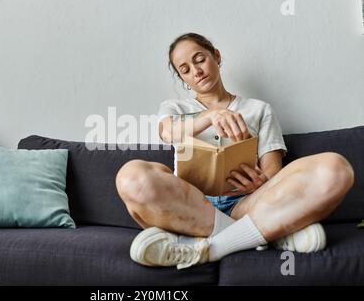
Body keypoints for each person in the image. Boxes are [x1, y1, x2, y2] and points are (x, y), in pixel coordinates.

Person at [115, 33, 355, 270]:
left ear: (216, 56)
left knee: (335, 169)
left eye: (199, 59)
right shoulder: (174, 108)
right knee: (131, 177)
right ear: (182, 78)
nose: (196, 71)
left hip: (248, 203)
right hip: (191, 205)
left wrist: (261, 183)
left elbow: (273, 173)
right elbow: (168, 133)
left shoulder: (259, 110)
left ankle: (208, 245)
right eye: (185, 70)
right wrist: (210, 116)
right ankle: (269, 231)